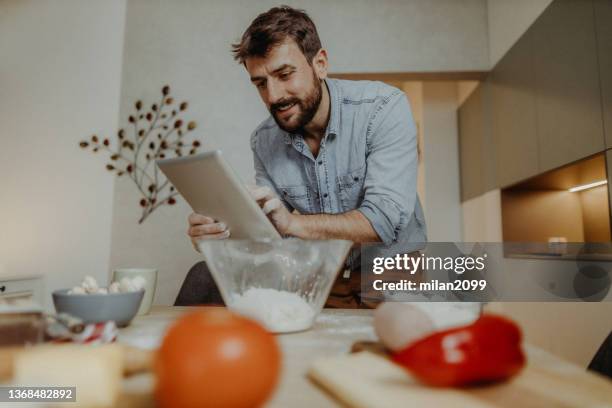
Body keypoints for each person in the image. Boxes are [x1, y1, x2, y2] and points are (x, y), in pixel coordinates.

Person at [179, 5, 427, 308]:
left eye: (284, 74)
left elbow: (382, 222)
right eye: (260, 83)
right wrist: (219, 237)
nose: (273, 96)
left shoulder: (383, 109)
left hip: (395, 272)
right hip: (326, 276)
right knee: (203, 277)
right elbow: (267, 239)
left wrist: (293, 225)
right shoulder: (264, 141)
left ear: (320, 64)